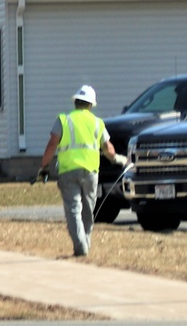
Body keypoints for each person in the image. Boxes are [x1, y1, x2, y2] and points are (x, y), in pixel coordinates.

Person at [36, 85, 124, 257]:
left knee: (73, 210)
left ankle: (80, 246)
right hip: (91, 172)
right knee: (88, 210)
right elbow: (108, 148)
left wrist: (44, 166)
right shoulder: (97, 123)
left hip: (68, 171)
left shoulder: (63, 120)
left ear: (75, 102)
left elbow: (52, 144)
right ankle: (85, 244)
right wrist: (118, 159)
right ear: (91, 105)